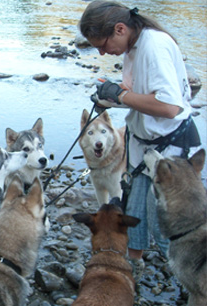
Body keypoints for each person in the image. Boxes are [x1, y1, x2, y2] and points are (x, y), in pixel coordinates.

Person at [78, 1, 202, 271]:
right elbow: (141, 94)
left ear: (120, 29)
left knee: (166, 223)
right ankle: (133, 267)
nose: (101, 52)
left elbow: (170, 107)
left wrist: (121, 95)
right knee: (132, 212)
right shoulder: (134, 46)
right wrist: (111, 96)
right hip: (143, 144)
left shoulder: (153, 47)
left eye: (102, 45)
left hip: (169, 149)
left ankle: (191, 276)